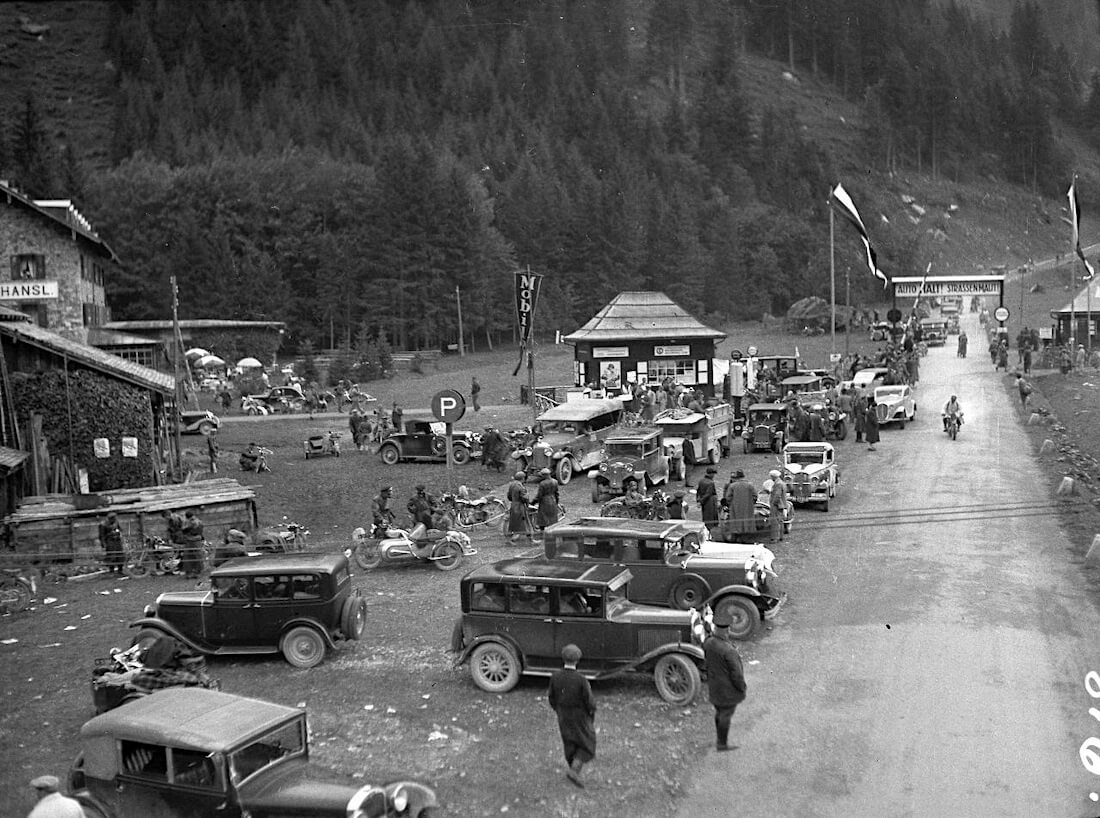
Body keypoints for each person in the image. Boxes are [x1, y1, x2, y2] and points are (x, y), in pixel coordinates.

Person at [548, 643, 596, 788]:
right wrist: (591, 712)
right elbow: (589, 701)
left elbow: (552, 697)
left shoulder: (555, 677)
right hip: (579, 716)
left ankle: (572, 765)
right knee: (587, 743)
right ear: (577, 660)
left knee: (568, 740)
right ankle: (574, 771)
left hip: (563, 714)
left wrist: (558, 710)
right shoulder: (581, 680)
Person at [703, 610, 747, 752]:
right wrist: (741, 688)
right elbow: (737, 674)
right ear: (727, 629)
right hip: (728, 691)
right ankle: (722, 744)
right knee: (725, 715)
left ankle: (719, 739)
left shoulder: (708, 642)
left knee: (719, 712)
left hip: (714, 688)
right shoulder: (729, 650)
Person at [722, 470, 756, 537]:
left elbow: (728, 497)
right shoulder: (750, 485)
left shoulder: (732, 486)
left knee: (736, 520)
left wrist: (730, 504)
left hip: (735, 507)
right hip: (748, 506)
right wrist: (751, 503)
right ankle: (748, 533)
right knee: (748, 519)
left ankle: (738, 534)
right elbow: (755, 496)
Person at [506, 471, 532, 543]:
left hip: (513, 505)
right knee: (525, 523)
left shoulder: (512, 485)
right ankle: (530, 539)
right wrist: (527, 503)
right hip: (520, 507)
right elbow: (525, 498)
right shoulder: (521, 487)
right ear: (523, 478)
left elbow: (509, 496)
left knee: (514, 524)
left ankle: (512, 539)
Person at [534, 468, 560, 535]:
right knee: (552, 517)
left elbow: (539, 495)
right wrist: (557, 502)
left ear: (544, 475)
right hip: (553, 500)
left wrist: (533, 502)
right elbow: (557, 493)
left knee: (543, 517)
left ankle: (542, 532)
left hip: (544, 501)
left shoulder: (542, 483)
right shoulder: (555, 482)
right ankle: (553, 531)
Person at [179, 510, 205, 579]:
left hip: (192, 541)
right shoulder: (198, 521)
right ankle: (194, 572)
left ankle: (193, 572)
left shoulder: (191, 522)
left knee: (191, 556)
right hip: (195, 540)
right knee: (194, 556)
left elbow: (184, 530)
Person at [767, 469, 788, 544]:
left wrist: (773, 503)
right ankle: (780, 536)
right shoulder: (782, 483)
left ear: (773, 476)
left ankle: (775, 538)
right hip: (781, 505)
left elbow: (777, 495)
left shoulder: (777, 484)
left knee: (775, 522)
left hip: (777, 505)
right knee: (780, 521)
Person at [697, 466, 720, 531]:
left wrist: (699, 501)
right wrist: (701, 501)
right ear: (711, 474)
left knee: (705, 516)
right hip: (710, 501)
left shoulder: (701, 481)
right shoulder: (711, 482)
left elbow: (698, 491)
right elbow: (708, 494)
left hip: (704, 501)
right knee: (711, 516)